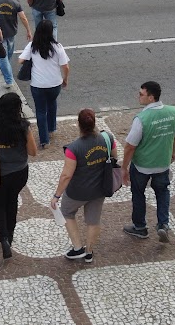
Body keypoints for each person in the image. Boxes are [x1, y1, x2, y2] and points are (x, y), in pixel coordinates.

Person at [0, 92, 37, 259]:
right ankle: (10, 235)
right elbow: (33, 152)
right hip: (19, 172)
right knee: (12, 201)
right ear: (18, 108)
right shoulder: (23, 126)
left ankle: (3, 236)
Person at [122, 81, 175, 243]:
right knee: (162, 192)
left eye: (141, 94)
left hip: (142, 165)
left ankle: (140, 227)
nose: (138, 97)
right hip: (163, 163)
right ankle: (163, 224)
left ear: (151, 97)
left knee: (138, 193)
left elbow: (130, 146)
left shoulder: (141, 118)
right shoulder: (174, 112)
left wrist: (124, 167)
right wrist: (173, 154)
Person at [51, 108, 112, 263]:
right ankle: (89, 252)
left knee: (67, 212)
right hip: (99, 189)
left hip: (77, 191)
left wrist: (57, 195)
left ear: (79, 124)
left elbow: (66, 175)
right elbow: (114, 159)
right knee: (93, 220)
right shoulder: (107, 138)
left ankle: (78, 248)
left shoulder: (73, 148)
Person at [20, 19, 68, 147]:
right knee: (52, 103)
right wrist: (65, 79)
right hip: (55, 83)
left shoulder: (32, 46)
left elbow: (20, 61)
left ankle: (44, 140)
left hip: (38, 85)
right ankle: (52, 128)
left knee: (40, 111)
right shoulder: (58, 47)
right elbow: (65, 67)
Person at [0, 0, 31, 87]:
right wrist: (28, 30)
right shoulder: (15, 2)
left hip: (0, 33)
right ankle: (9, 80)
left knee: (6, 55)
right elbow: (23, 18)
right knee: (5, 55)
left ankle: (5, 68)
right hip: (11, 32)